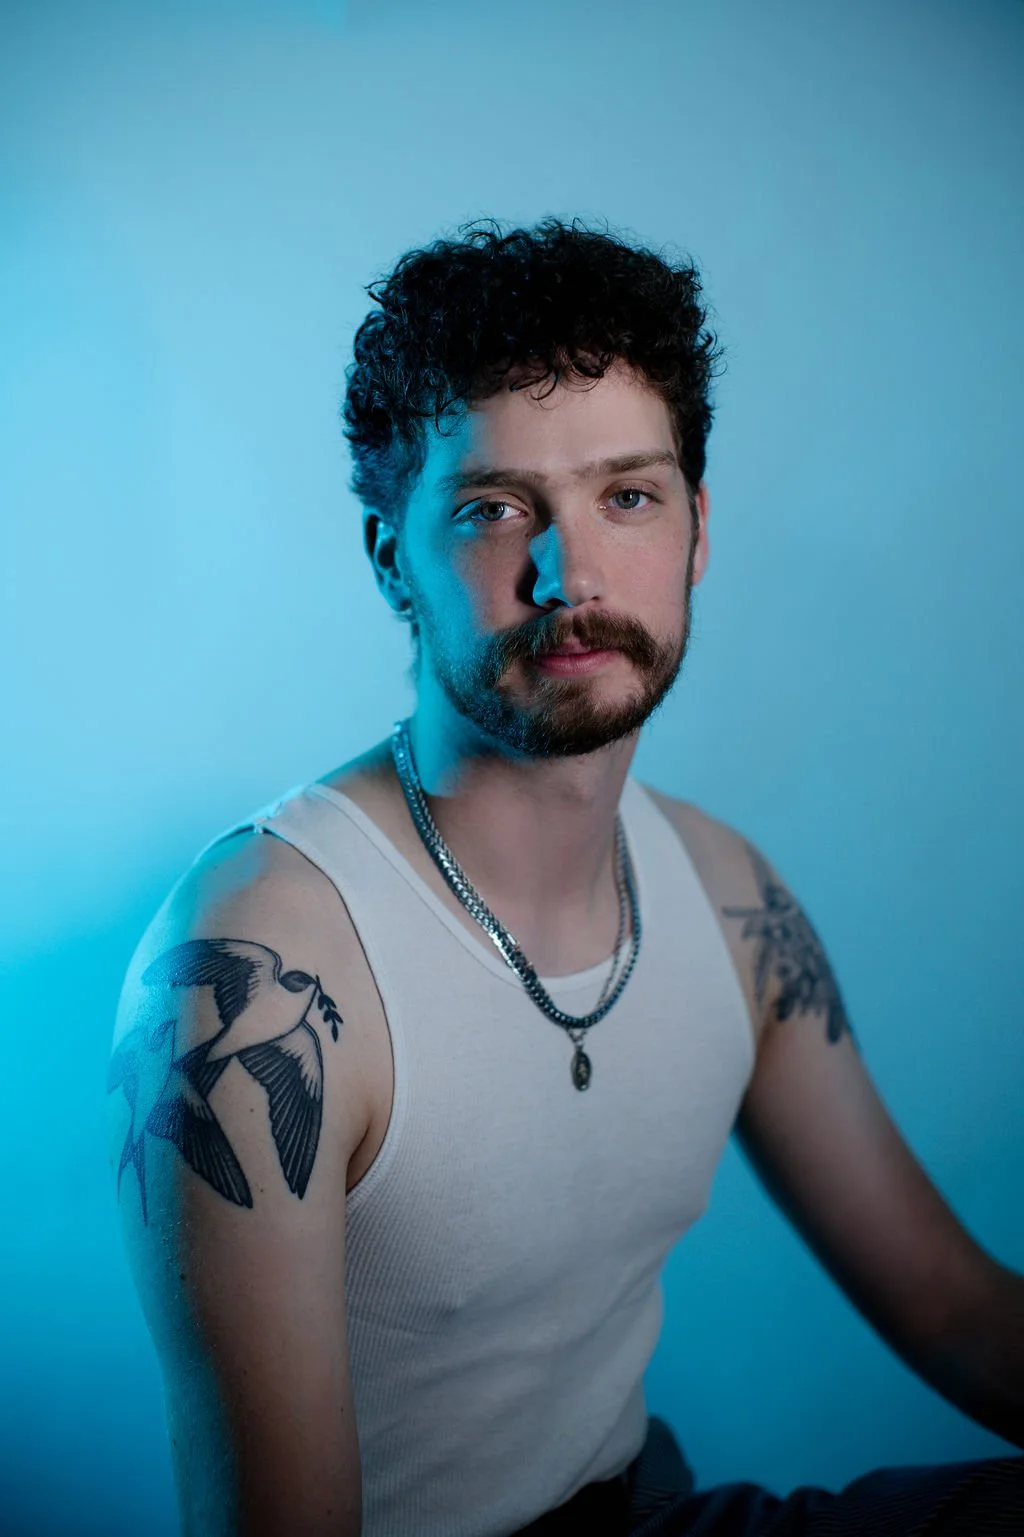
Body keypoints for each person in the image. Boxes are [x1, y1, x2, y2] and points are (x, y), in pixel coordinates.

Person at [107, 219, 1024, 1537]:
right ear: (390, 561)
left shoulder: (722, 895)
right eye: (493, 511)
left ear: (697, 532)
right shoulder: (262, 957)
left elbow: (956, 1309)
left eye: (627, 497)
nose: (568, 574)